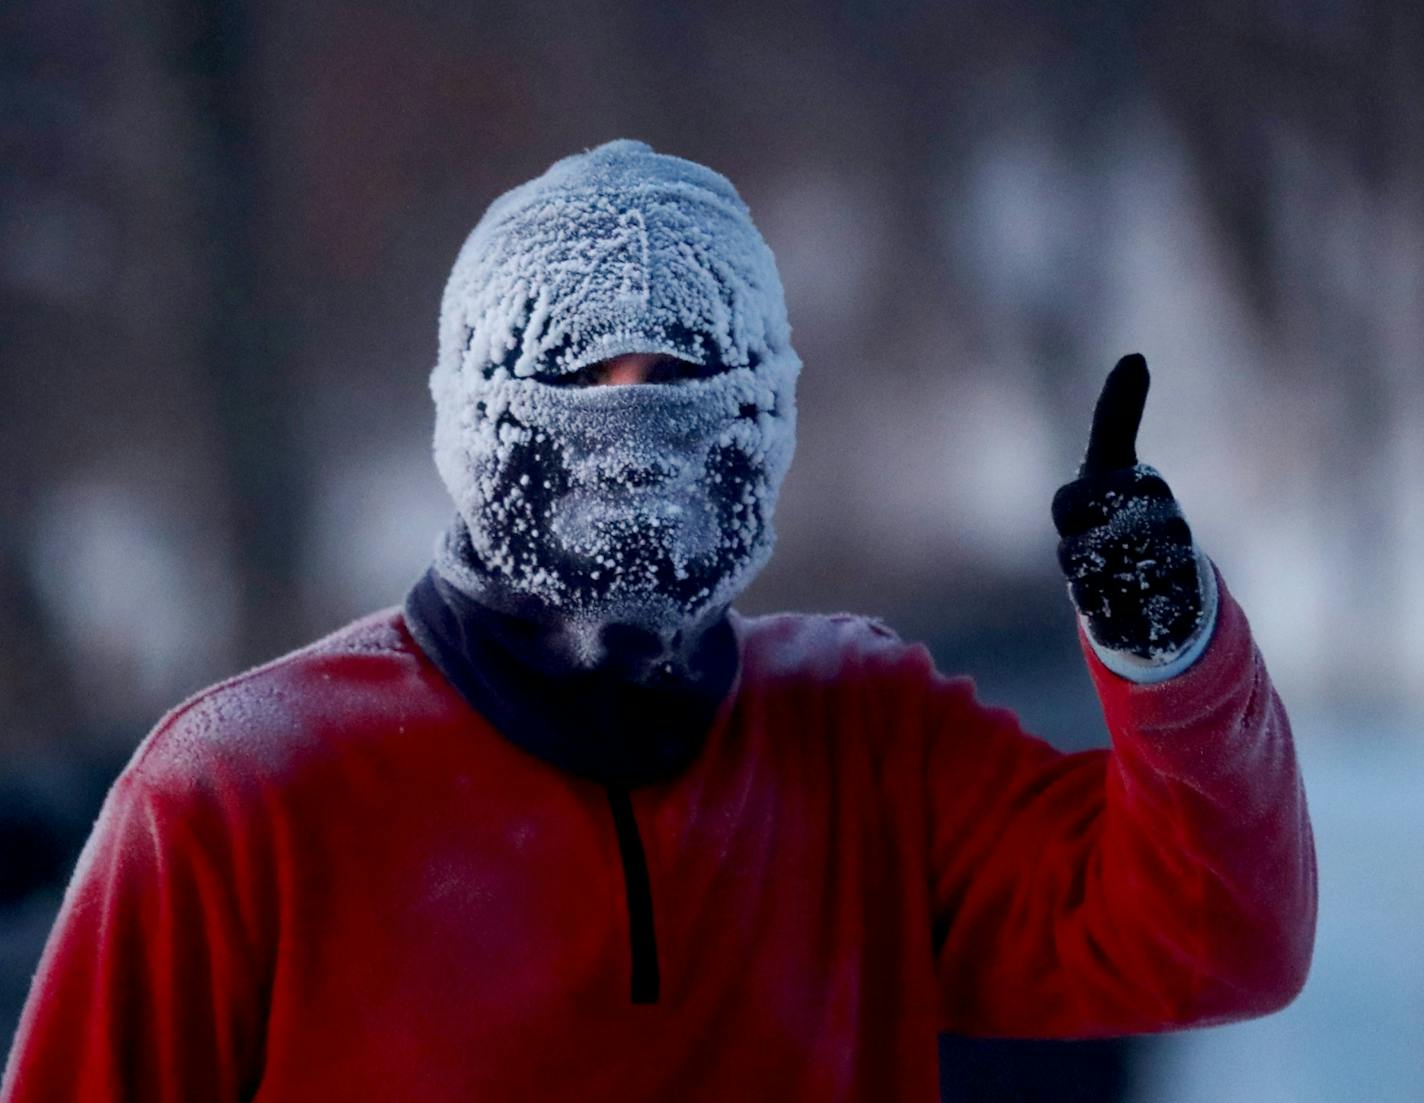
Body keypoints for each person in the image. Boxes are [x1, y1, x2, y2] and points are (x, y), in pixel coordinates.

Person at [0, 139, 1315, 1102]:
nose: (635, 441)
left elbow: (1211, 940)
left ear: (765, 416)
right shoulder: (238, 790)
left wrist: (1170, 646)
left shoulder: (861, 736)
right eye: (582, 381)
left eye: (684, 383)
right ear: (480, 416)